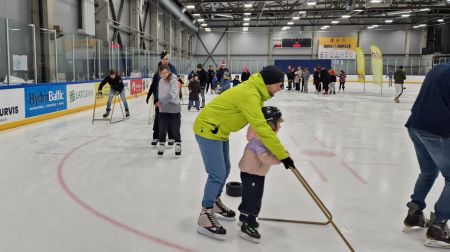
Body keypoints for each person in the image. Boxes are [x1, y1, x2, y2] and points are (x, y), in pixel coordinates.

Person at [194, 65, 296, 240]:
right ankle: (205, 214)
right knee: (217, 174)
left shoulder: (256, 93)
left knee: (225, 169)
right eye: (279, 84)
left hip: (219, 130)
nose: (280, 88)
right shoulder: (250, 94)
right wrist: (282, 155)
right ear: (269, 83)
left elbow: (257, 126)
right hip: (208, 129)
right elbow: (262, 128)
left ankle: (215, 202)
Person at [403, 63, 450, 248]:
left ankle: (414, 214)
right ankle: (438, 226)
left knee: (428, 172)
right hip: (435, 130)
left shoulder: (439, 68)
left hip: (416, 124)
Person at [238, 106, 284, 243]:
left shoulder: (263, 137)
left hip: (254, 173)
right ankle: (248, 224)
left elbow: (274, 148)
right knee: (253, 198)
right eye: (278, 123)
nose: (280, 126)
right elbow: (266, 158)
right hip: (253, 174)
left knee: (249, 196)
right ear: (270, 125)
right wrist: (281, 159)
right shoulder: (259, 141)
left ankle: (243, 218)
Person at [146, 50, 178, 146]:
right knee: (158, 118)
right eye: (164, 59)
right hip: (158, 98)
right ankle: (156, 137)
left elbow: (176, 84)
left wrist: (177, 95)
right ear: (161, 59)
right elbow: (154, 84)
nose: (165, 60)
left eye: (167, 59)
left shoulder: (173, 69)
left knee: (169, 118)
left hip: (169, 99)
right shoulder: (158, 69)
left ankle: (171, 137)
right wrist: (149, 95)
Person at [156, 65, 182, 156]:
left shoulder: (174, 81)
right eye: (162, 73)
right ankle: (162, 144)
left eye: (165, 73)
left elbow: (173, 94)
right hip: (163, 109)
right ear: (159, 73)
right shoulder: (160, 81)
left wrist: (161, 101)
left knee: (175, 129)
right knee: (162, 128)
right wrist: (158, 102)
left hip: (174, 108)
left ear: (169, 72)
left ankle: (178, 143)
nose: (164, 75)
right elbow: (160, 94)